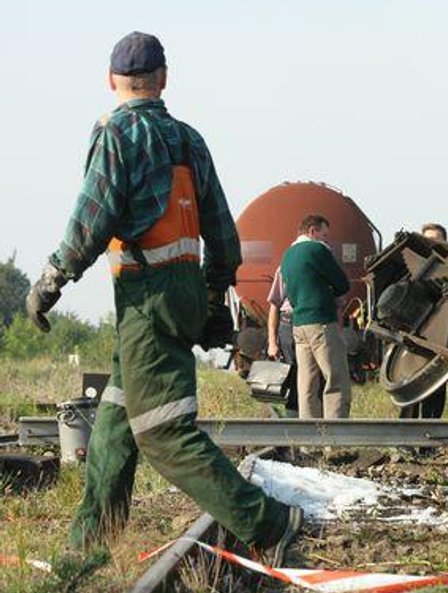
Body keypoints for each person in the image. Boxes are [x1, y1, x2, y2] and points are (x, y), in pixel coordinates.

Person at [25, 32, 301, 563]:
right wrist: (215, 295)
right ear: (164, 79)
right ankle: (91, 546)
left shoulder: (116, 132)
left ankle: (266, 522)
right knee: (115, 421)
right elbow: (221, 228)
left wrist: (51, 281)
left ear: (111, 81)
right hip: (184, 290)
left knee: (163, 431)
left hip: (146, 296)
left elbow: (92, 218)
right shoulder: (188, 139)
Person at [281, 215, 352, 419]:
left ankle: (309, 443)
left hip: (299, 325)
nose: (326, 240)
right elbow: (342, 283)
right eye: (324, 234)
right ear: (312, 231)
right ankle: (335, 442)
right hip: (321, 322)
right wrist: (333, 294)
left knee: (307, 385)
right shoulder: (317, 250)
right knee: (336, 380)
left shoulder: (287, 255)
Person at [400, 223, 448, 419]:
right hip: (415, 334)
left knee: (436, 387)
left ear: (445, 241)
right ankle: (406, 439)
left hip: (440, 337)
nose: (432, 244)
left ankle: (430, 439)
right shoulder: (411, 267)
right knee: (410, 384)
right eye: (428, 239)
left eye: (437, 240)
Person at [266, 266, 310, 416]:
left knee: (306, 374)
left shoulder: (323, 260)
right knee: (293, 373)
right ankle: (294, 417)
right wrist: (272, 343)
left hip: (308, 320)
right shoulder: (285, 267)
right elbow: (274, 304)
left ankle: (304, 416)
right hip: (290, 320)